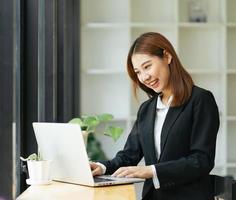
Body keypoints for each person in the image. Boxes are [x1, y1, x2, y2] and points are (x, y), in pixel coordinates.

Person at [90, 32, 220, 200]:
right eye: (138, 72)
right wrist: (101, 167)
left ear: (167, 56)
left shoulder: (200, 100)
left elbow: (201, 160)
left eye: (147, 66)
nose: (144, 77)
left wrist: (151, 170)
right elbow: (129, 155)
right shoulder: (147, 109)